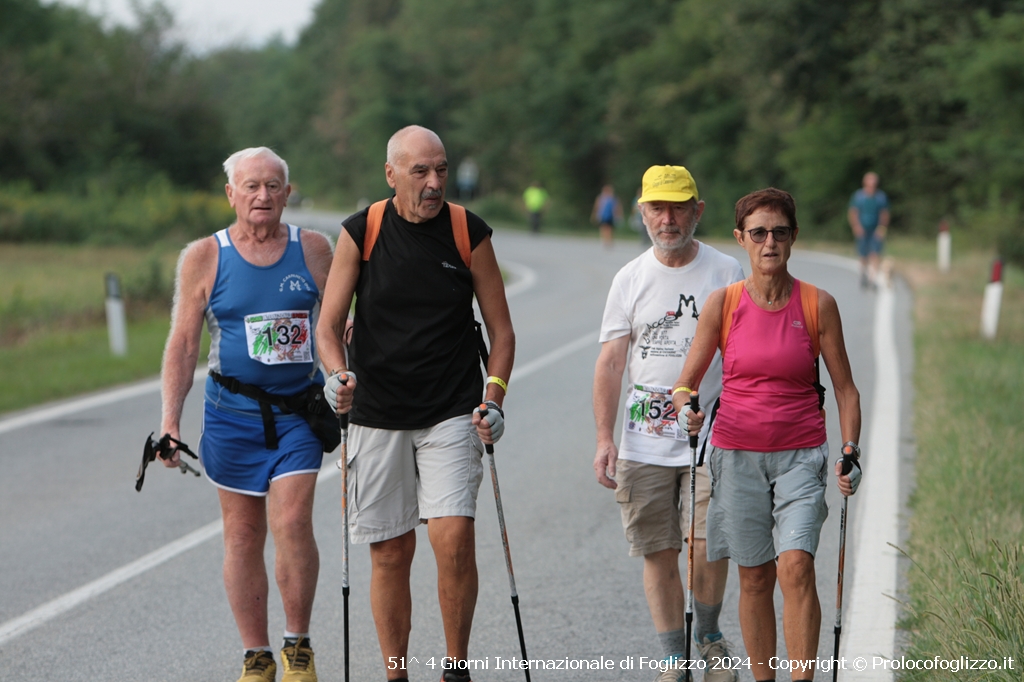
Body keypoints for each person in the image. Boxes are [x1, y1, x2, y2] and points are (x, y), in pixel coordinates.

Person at [315, 125, 515, 682]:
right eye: (420, 171)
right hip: (376, 412)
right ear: (391, 174)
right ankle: (396, 674)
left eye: (441, 170)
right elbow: (328, 327)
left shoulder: (467, 230)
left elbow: (502, 332)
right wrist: (336, 376)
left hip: (451, 408)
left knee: (453, 539)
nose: (434, 183)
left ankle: (456, 669)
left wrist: (494, 398)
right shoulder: (362, 231)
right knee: (390, 552)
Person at [672, 188, 863, 682]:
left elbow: (846, 391)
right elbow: (684, 384)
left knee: (795, 566)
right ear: (741, 239)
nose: (769, 242)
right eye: (758, 233)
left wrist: (850, 451)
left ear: (794, 237)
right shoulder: (723, 304)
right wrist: (688, 407)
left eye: (779, 232)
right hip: (735, 455)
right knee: (755, 577)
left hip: (801, 455)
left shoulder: (818, 304)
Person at [159, 147, 335, 682]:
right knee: (241, 535)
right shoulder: (203, 257)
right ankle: (256, 655)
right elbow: (184, 343)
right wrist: (170, 422)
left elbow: (338, 326)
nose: (262, 195)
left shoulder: (313, 249)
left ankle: (297, 645)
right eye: (251, 186)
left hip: (299, 413)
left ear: (287, 193)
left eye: (273, 185)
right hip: (231, 416)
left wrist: (349, 380)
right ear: (231, 194)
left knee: (292, 521)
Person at [593, 165, 744, 682]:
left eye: (679, 208)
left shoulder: (726, 272)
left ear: (697, 211)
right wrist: (604, 437)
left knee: (707, 543)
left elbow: (744, 353)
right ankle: (672, 659)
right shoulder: (630, 278)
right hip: (644, 442)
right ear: (642, 213)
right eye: (657, 208)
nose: (668, 219)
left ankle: (709, 636)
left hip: (712, 436)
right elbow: (612, 362)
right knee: (657, 549)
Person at [847, 171, 890, 289]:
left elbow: (884, 214)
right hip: (862, 228)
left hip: (875, 229)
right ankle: (863, 274)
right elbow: (853, 212)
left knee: (875, 254)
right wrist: (856, 226)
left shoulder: (881, 197)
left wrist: (882, 228)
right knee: (863, 254)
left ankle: (872, 278)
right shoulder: (859, 196)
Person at [592, 183, 623, 248]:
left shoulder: (613, 198)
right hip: (602, 215)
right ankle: (605, 240)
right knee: (603, 228)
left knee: (609, 229)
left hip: (610, 216)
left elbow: (617, 207)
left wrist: (618, 215)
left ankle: (609, 240)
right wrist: (594, 214)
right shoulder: (601, 198)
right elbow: (597, 206)